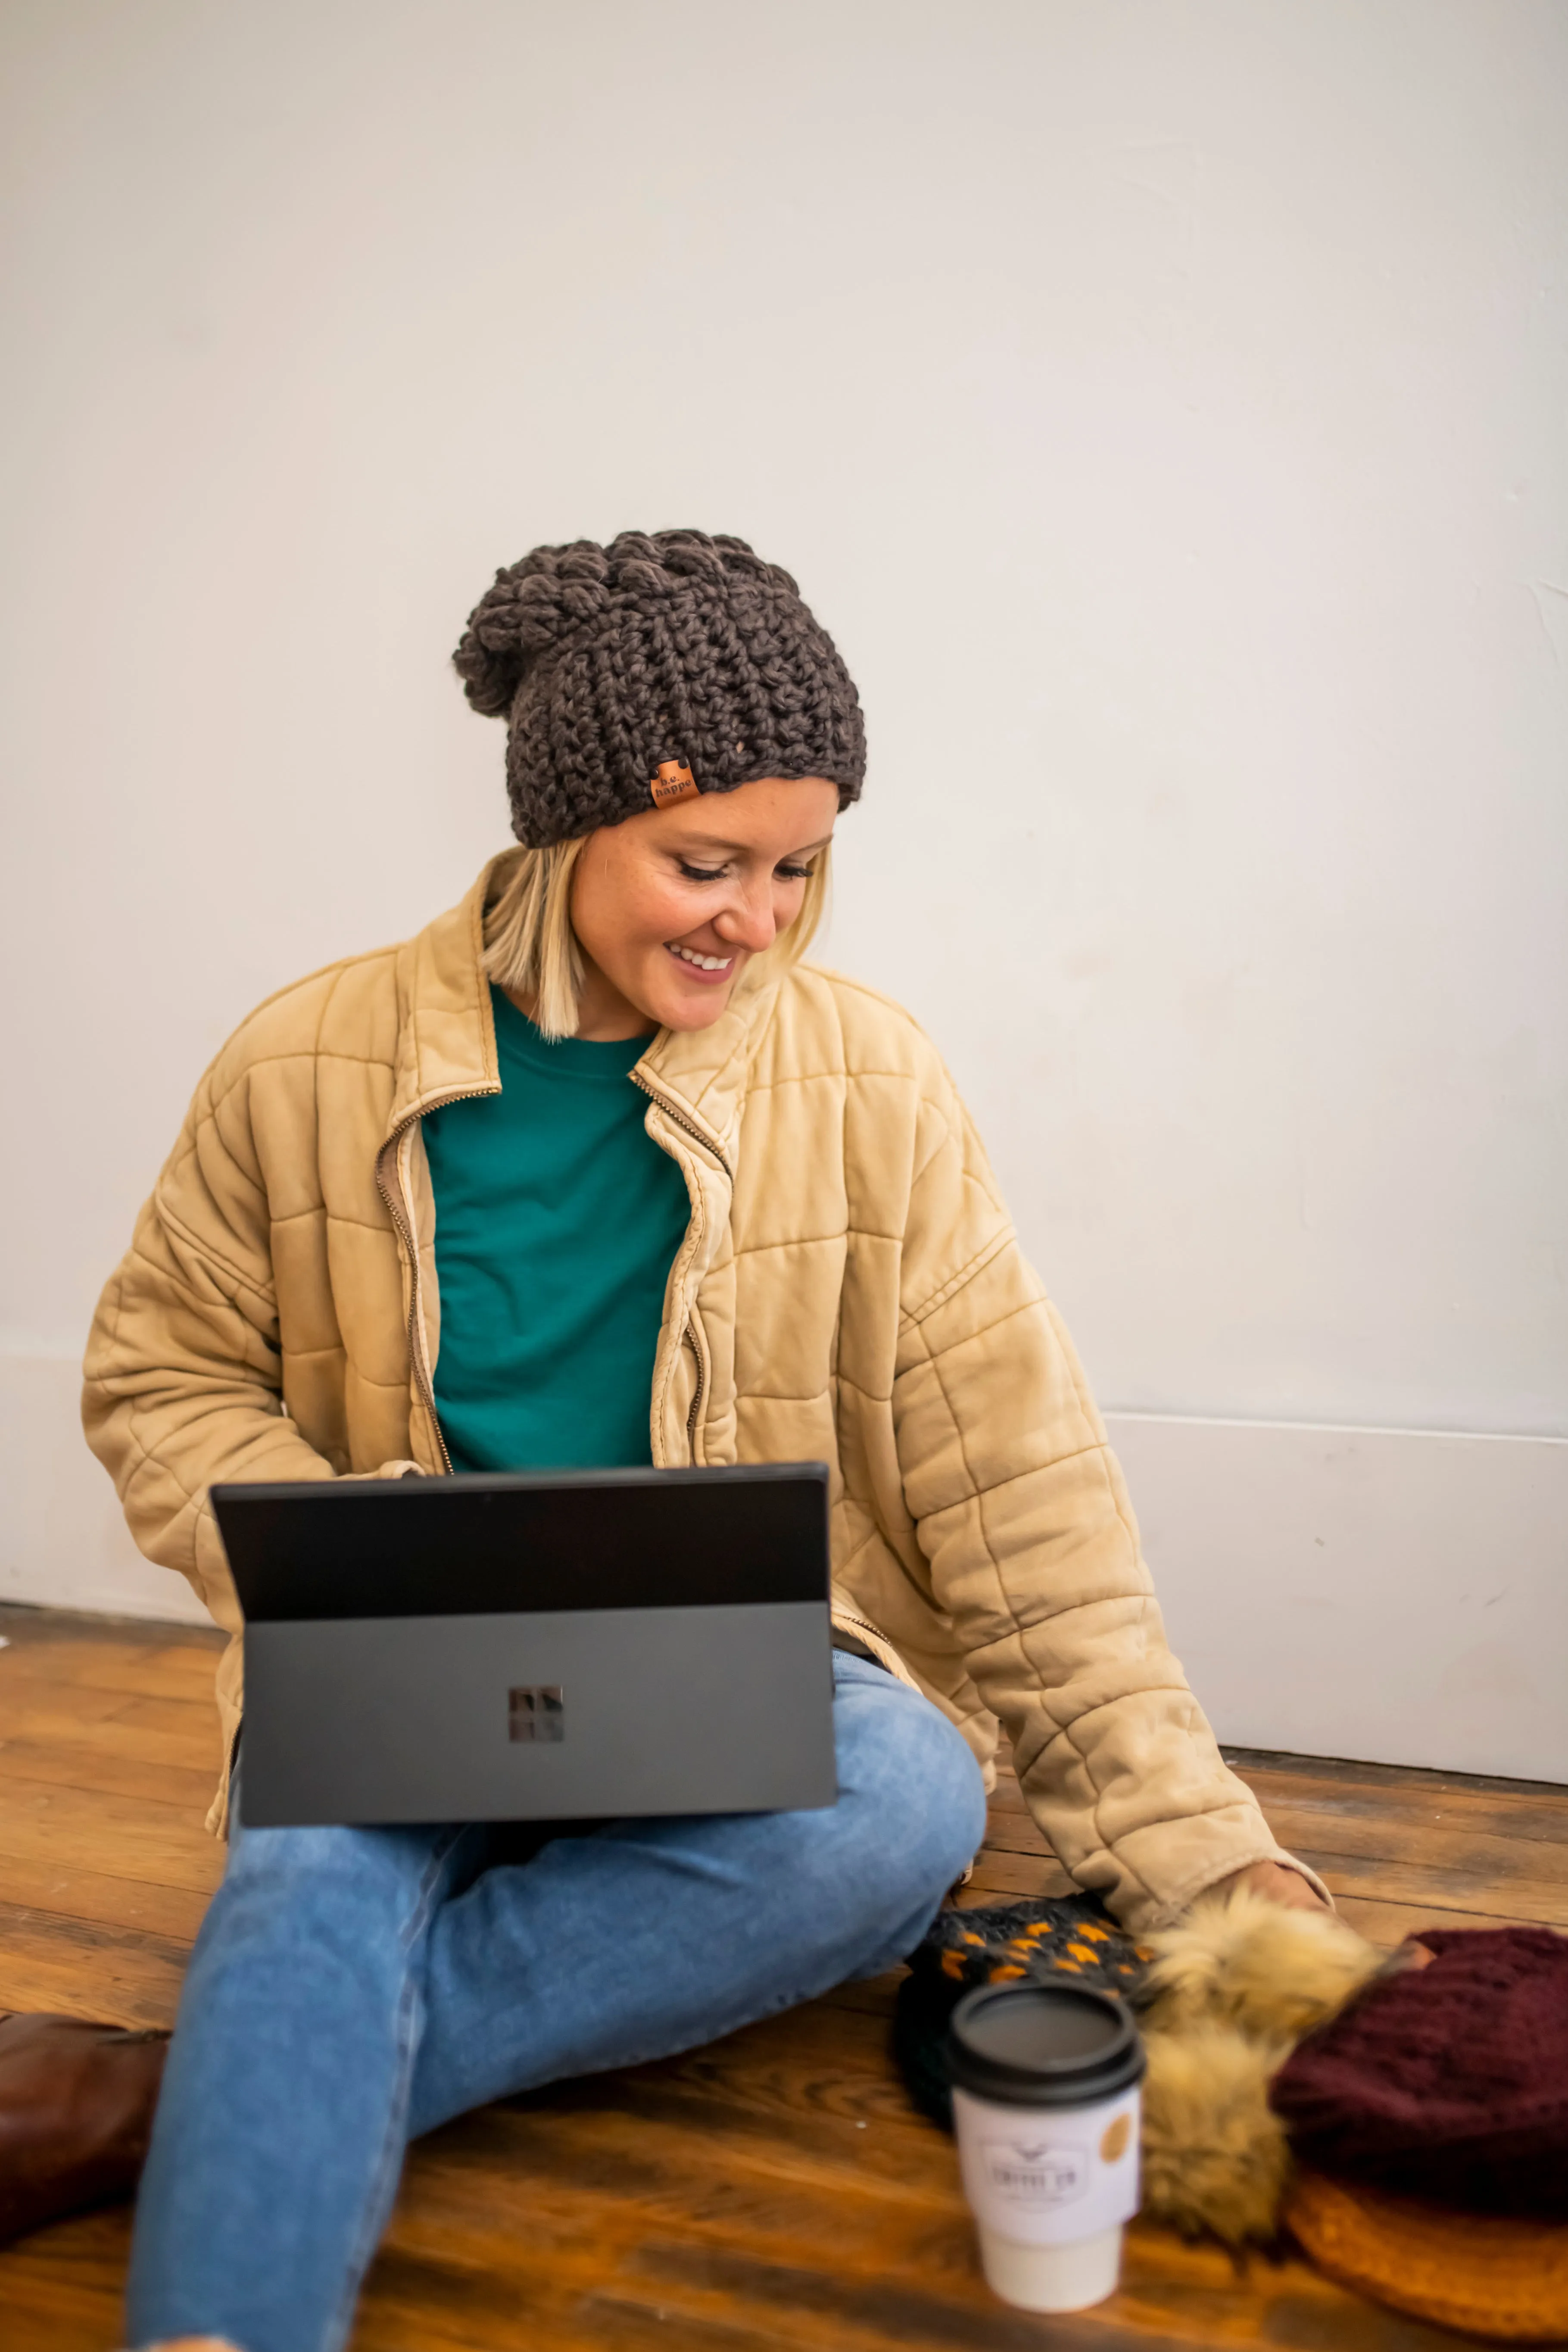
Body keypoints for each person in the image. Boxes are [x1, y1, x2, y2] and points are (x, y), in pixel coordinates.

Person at [81, 530, 1326, 2352]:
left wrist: (1202, 1850)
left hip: (724, 1684)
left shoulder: (872, 1080)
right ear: (566, 825)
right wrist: (356, 1542)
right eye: (705, 861)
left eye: (802, 864)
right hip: (405, 1661)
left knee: (907, 1796)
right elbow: (159, 1373)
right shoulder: (306, 1059)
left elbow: (1020, 1491)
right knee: (311, 1853)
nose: (760, 915)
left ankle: (222, 2093)